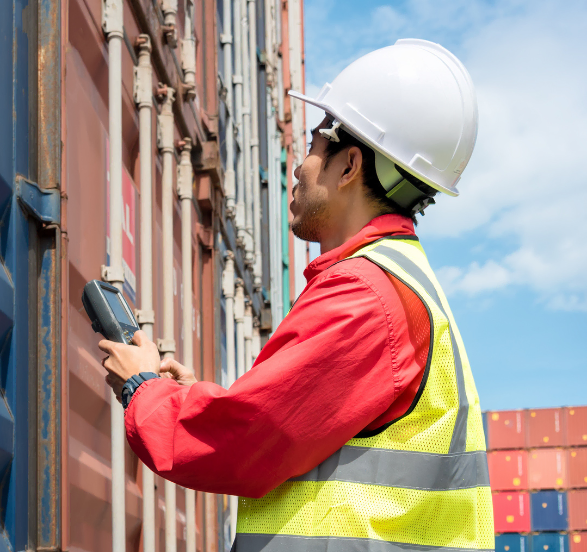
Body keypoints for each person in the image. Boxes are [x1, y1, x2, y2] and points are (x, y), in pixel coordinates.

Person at [98, 39, 494, 550]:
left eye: (311, 145)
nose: (298, 164)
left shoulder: (366, 295)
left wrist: (144, 390)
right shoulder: (397, 282)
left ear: (349, 166)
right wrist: (202, 399)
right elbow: (307, 433)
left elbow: (250, 441)